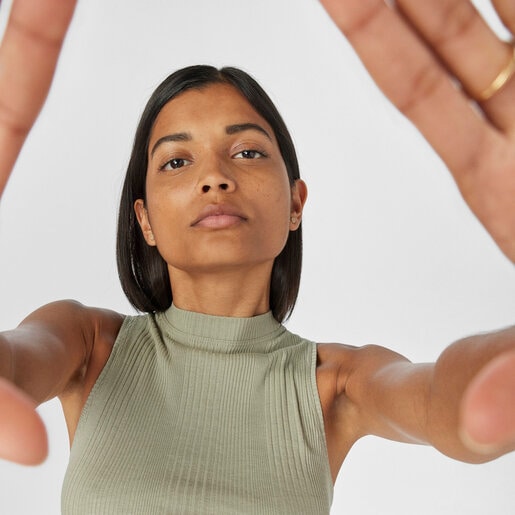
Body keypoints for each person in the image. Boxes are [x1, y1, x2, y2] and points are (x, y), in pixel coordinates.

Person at [0, 0, 514, 512]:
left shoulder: (335, 382)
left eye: (247, 152)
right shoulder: (87, 345)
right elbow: (14, 364)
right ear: (145, 221)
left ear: (295, 203)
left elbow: (446, 401)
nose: (214, 177)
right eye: (177, 161)